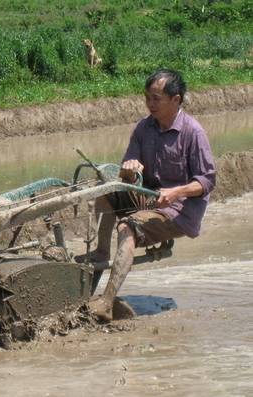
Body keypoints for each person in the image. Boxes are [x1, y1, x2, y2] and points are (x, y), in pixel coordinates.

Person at [78, 69, 216, 322]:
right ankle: (101, 253)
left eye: (156, 98)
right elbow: (126, 176)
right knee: (106, 193)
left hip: (179, 210)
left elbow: (207, 180)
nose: (150, 104)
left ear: (175, 100)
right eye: (147, 98)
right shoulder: (144, 128)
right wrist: (129, 169)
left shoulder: (193, 133)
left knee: (127, 227)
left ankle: (106, 303)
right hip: (148, 197)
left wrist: (177, 192)